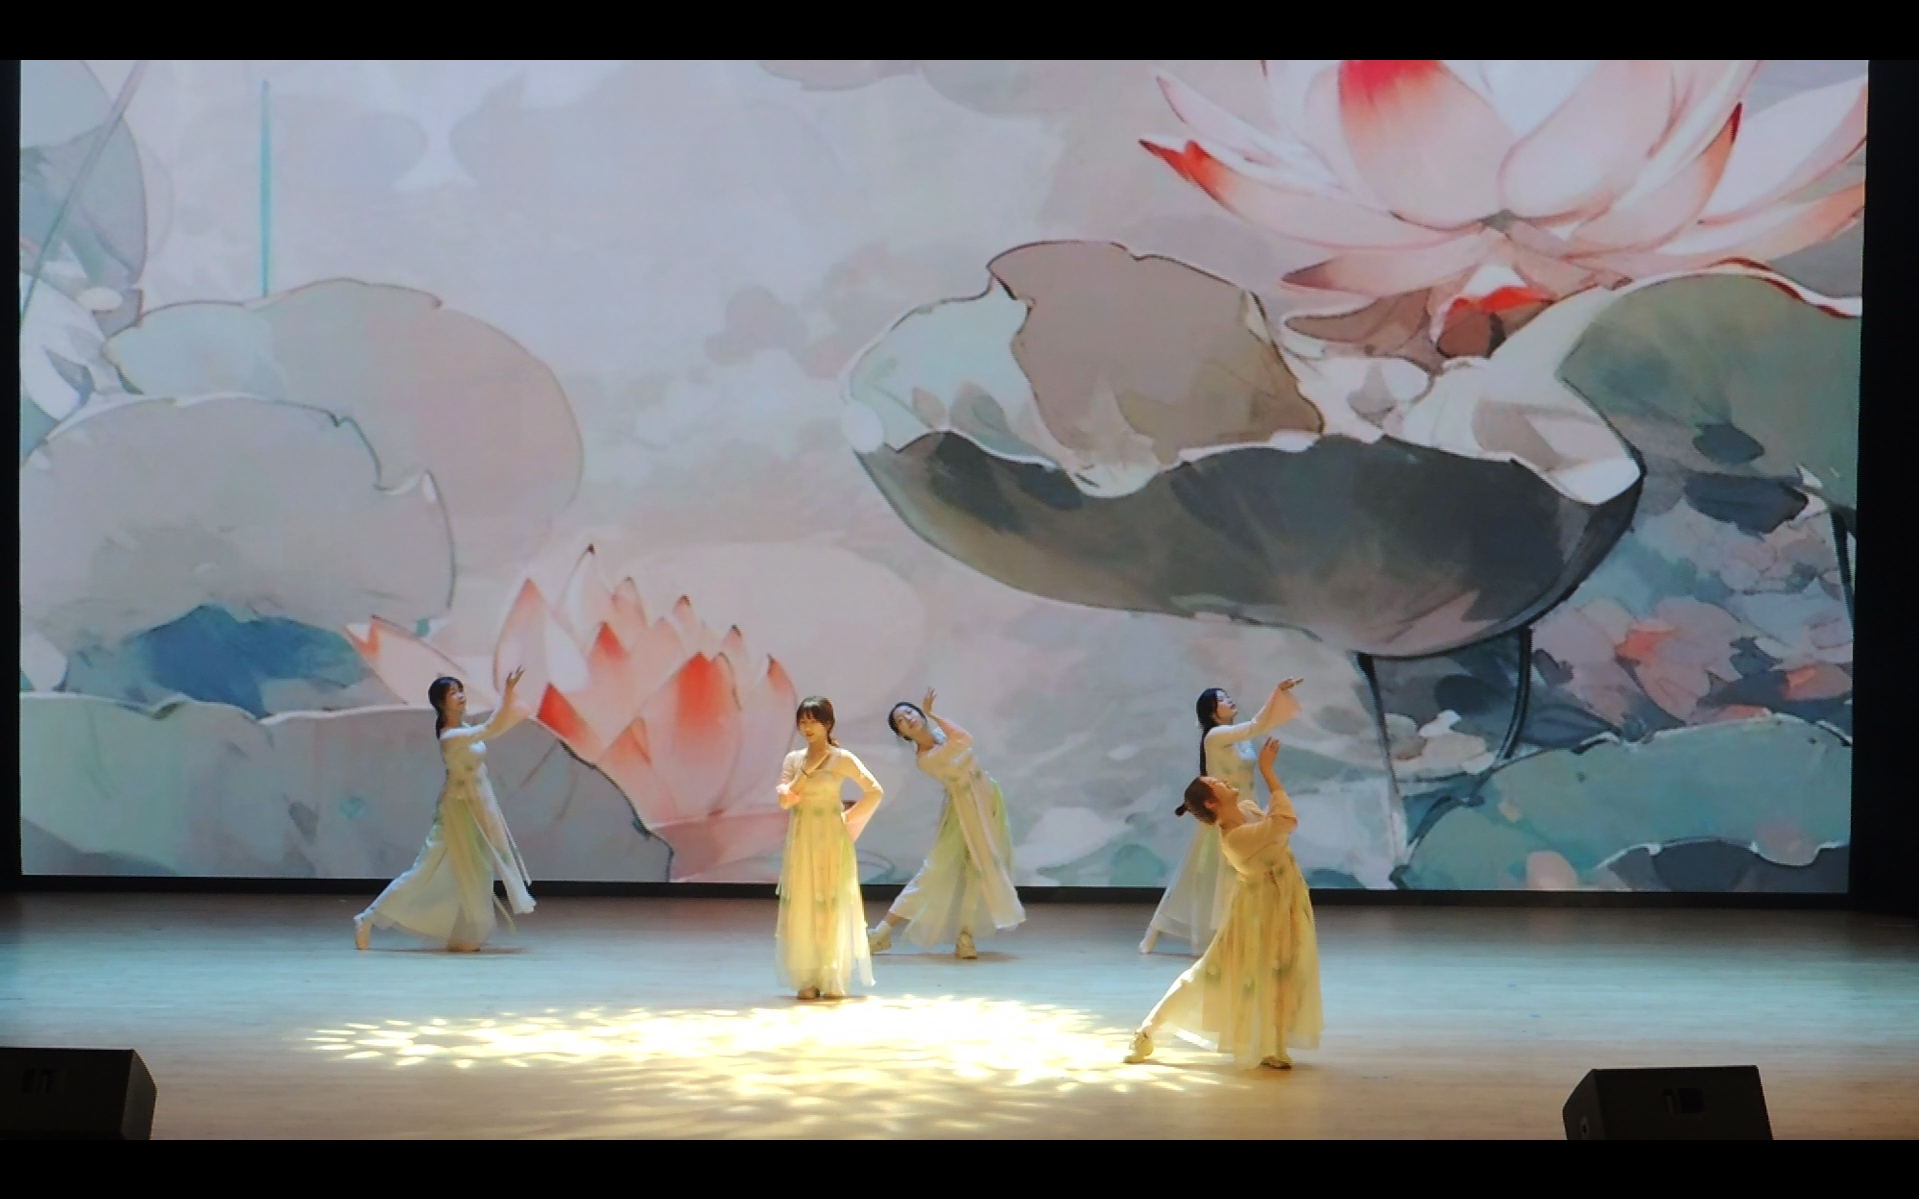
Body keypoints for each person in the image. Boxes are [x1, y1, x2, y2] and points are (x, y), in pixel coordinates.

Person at [1126, 738, 1322, 1069]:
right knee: (1212, 973)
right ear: (1212, 802)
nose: (1224, 781)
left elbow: (1275, 826)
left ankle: (1272, 1045)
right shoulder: (1235, 838)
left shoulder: (1247, 810)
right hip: (1257, 912)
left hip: (1283, 900)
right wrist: (1267, 770)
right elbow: (1284, 822)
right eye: (1216, 783)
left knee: (1281, 970)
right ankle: (1148, 1031)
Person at [355, 669, 536, 953]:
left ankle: (462, 934)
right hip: (456, 811)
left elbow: (493, 728)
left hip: (476, 807)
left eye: (460, 690)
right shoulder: (450, 736)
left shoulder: (463, 729)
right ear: (441, 703)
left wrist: (509, 696)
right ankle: (368, 917)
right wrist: (508, 694)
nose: (461, 696)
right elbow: (490, 728)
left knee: (475, 869)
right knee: (424, 870)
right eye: (454, 693)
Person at [1140, 678, 1303, 955]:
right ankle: (1202, 934)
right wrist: (1278, 693)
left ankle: (1242, 933)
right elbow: (1255, 725)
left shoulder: (1237, 738)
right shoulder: (1215, 736)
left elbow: (1252, 730)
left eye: (1227, 697)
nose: (1229, 701)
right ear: (1212, 712)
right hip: (1224, 816)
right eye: (1222, 700)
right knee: (1210, 877)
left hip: (1247, 811)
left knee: (1242, 875)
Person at [869, 689, 1025, 960]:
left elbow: (961, 739)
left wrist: (934, 717)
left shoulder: (941, 736)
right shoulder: (926, 759)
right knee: (934, 870)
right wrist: (934, 714)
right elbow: (965, 740)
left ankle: (965, 936)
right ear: (902, 734)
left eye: (910, 712)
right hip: (964, 807)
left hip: (987, 797)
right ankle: (881, 933)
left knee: (977, 870)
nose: (908, 719)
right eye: (901, 721)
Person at [775, 695, 885, 1000]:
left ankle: (832, 973)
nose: (807, 727)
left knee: (831, 901)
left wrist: (848, 819)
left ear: (828, 724)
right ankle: (807, 976)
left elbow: (874, 791)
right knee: (805, 902)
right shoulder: (793, 760)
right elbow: (785, 800)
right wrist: (806, 772)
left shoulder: (842, 758)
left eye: (814, 721)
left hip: (831, 838)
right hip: (802, 838)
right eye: (803, 721)